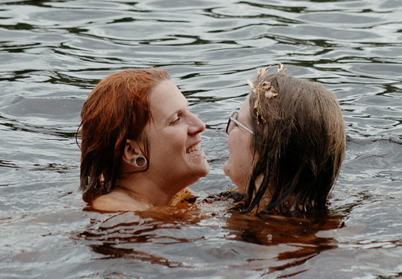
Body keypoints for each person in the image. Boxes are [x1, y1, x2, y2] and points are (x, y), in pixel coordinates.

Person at [80, 67, 209, 212]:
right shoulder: (121, 217)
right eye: (176, 119)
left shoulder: (170, 198)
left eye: (188, 111)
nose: (200, 125)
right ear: (132, 151)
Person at [224, 65, 345, 216]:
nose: (227, 130)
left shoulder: (267, 234)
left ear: (267, 148)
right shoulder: (317, 222)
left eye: (238, 124)